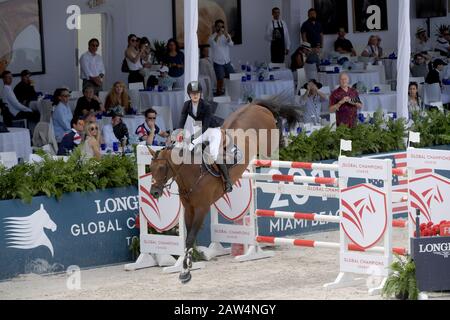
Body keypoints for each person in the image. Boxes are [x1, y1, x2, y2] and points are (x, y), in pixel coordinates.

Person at [188, 127, 233, 193]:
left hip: (213, 131)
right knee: (189, 147)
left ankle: (228, 181)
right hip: (202, 131)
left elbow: (205, 123)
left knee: (214, 154)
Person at [208, 19, 235, 96]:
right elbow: (214, 46)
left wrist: (227, 36)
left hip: (227, 61)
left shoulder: (226, 35)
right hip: (218, 62)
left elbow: (231, 44)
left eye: (222, 26)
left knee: (233, 78)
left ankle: (232, 94)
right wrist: (218, 35)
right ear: (215, 27)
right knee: (220, 81)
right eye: (218, 26)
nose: (220, 28)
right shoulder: (211, 37)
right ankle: (219, 98)